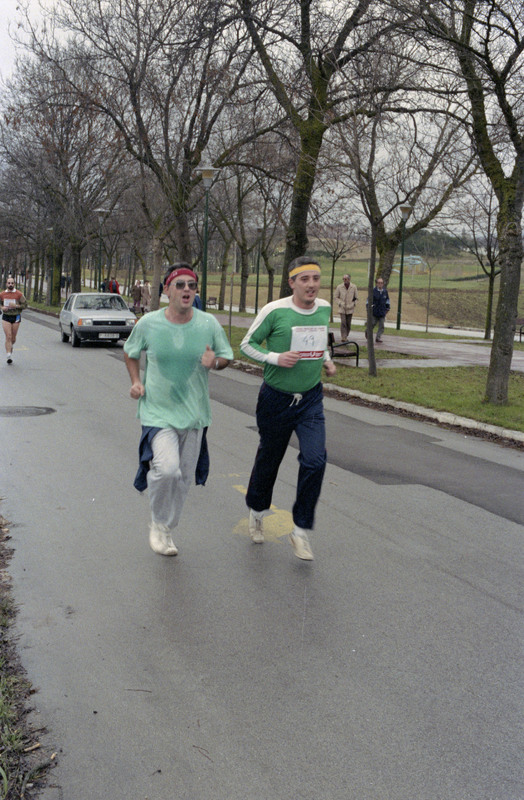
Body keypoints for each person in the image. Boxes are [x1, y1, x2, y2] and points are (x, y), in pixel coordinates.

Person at [124, 264, 233, 556]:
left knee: (184, 478)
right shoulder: (148, 323)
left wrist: (215, 363)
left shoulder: (208, 323)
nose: (187, 289)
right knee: (167, 470)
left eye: (192, 285)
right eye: (180, 284)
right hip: (158, 411)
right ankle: (158, 523)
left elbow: (226, 357)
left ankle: (167, 529)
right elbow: (130, 353)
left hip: (194, 413)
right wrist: (136, 381)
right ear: (166, 290)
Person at [240, 256, 336, 561]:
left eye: (315, 278)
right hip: (276, 398)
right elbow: (246, 344)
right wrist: (275, 358)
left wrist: (327, 360)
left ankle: (300, 530)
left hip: (310, 398)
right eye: (304, 279)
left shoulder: (324, 308)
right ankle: (257, 512)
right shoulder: (274, 311)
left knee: (315, 460)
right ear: (292, 282)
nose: (311, 285)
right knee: (270, 458)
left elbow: (319, 341)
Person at [1, 276, 28, 364]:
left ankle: (11, 345)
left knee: (13, 337)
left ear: (14, 284)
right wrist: (2, 307)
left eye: (12, 283)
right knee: (8, 336)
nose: (10, 284)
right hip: (6, 316)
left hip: (16, 316)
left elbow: (25, 305)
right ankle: (8, 355)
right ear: (6, 284)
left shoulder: (19, 294)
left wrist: (15, 306)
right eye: (9, 283)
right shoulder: (2, 294)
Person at [366, 276, 390, 343]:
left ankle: (378, 337)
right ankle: (367, 332)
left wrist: (387, 308)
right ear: (376, 283)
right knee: (372, 324)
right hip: (374, 311)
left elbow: (387, 300)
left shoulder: (385, 291)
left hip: (382, 312)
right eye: (379, 283)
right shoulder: (373, 291)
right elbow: (368, 301)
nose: (380, 284)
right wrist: (369, 309)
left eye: (381, 283)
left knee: (381, 326)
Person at [334, 274, 358, 341]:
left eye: (345, 279)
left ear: (349, 279)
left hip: (350, 309)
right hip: (342, 309)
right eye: (343, 279)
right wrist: (340, 303)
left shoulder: (354, 287)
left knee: (348, 324)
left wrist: (353, 304)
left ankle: (346, 335)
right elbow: (336, 297)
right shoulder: (339, 287)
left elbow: (356, 298)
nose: (344, 280)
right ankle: (343, 337)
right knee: (343, 323)